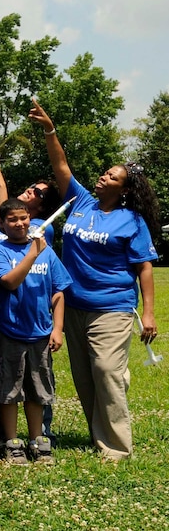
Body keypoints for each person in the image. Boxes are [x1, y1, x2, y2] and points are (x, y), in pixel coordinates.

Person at [29, 100, 159, 461]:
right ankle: (97, 433)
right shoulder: (82, 202)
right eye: (104, 173)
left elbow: (145, 267)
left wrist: (148, 315)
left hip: (111, 307)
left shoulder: (131, 221)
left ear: (124, 188)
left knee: (104, 370)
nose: (103, 177)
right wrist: (49, 130)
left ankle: (117, 448)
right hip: (73, 305)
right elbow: (61, 166)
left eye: (112, 177)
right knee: (85, 376)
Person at [0, 198, 71, 465]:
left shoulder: (48, 252)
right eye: (12, 220)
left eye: (24, 218)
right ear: (2, 224)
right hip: (9, 332)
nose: (20, 224)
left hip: (40, 333)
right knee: (9, 390)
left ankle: (37, 440)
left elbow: (58, 292)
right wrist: (33, 252)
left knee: (37, 390)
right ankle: (12, 442)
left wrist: (57, 328)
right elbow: (9, 282)